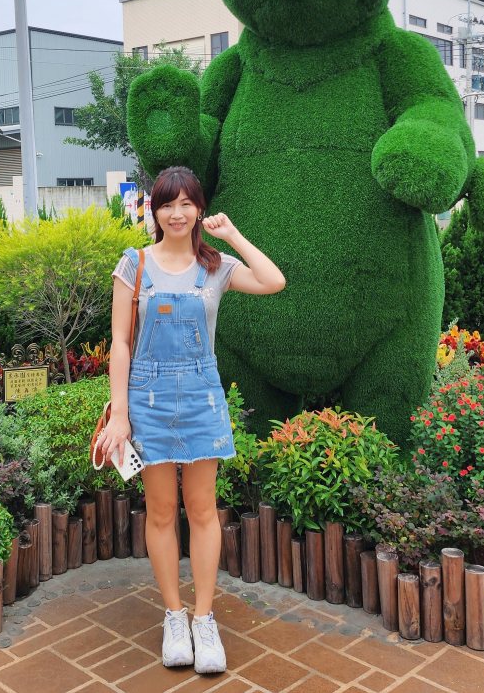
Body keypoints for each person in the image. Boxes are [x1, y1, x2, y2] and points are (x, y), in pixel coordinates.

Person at [97, 165, 285, 674]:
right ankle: (174, 617)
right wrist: (119, 415)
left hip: (202, 400)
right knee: (160, 512)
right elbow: (119, 343)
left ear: (200, 208)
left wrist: (233, 235)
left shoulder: (216, 266)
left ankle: (205, 619)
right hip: (148, 403)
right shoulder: (134, 265)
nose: (176, 213)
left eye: (186, 203)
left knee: (202, 510)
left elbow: (273, 280)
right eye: (166, 203)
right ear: (154, 210)